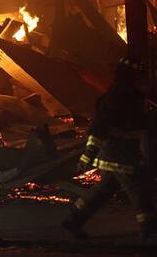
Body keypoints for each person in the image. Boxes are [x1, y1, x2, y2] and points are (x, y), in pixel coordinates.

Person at [62, 56, 157, 241]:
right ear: (131, 76)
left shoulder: (130, 96)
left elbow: (135, 124)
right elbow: (99, 127)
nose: (142, 80)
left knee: (103, 191)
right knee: (138, 189)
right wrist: (88, 154)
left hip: (123, 152)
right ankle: (149, 228)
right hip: (119, 154)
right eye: (139, 75)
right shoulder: (116, 97)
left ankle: (74, 219)